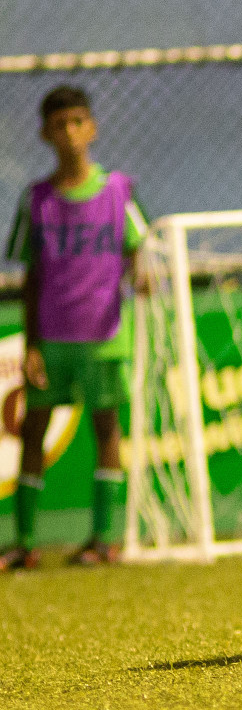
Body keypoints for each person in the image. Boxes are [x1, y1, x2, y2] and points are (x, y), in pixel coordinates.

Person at [3, 85, 148, 570]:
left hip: (105, 336)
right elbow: (31, 276)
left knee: (106, 427)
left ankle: (102, 539)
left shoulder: (118, 190)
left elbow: (140, 248)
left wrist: (144, 270)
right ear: (45, 133)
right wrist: (32, 343)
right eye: (59, 125)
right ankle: (24, 543)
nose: (69, 133)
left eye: (77, 122)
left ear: (92, 128)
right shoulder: (37, 199)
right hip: (53, 338)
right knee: (33, 430)